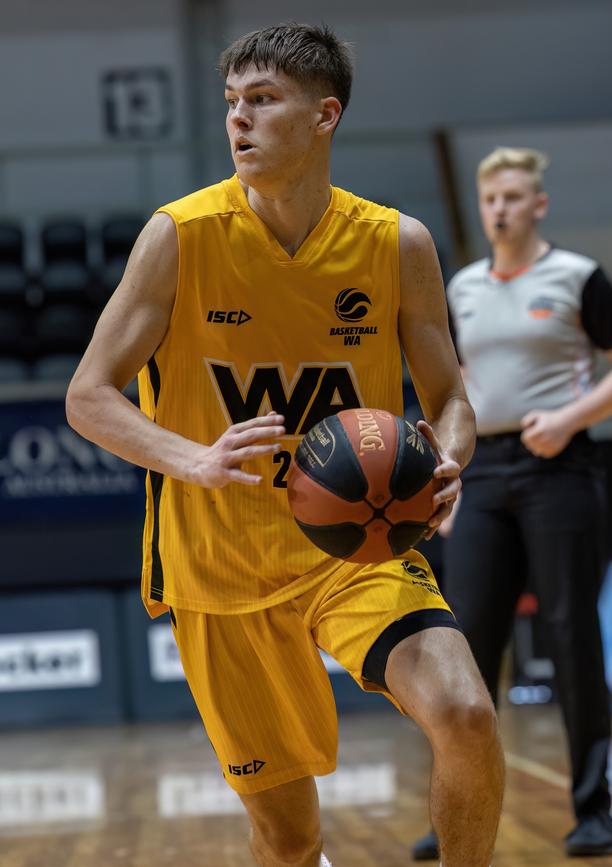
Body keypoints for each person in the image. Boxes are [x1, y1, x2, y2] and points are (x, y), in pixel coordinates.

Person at [66, 23, 505, 867]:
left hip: (359, 542)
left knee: (466, 713)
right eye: (232, 102)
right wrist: (191, 457)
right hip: (219, 559)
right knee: (289, 837)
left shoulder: (395, 243)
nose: (239, 120)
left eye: (263, 101)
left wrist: (449, 456)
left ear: (324, 116)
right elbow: (87, 396)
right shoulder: (181, 236)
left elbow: (450, 398)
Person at [412, 146, 612, 861]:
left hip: (560, 468)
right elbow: (448, 385)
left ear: (538, 203)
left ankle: (593, 810)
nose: (501, 209)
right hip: (483, 473)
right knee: (464, 647)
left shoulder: (577, 277)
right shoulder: (461, 286)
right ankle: (455, 813)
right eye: (491, 199)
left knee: (572, 635)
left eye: (515, 197)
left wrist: (572, 418)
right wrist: (447, 476)